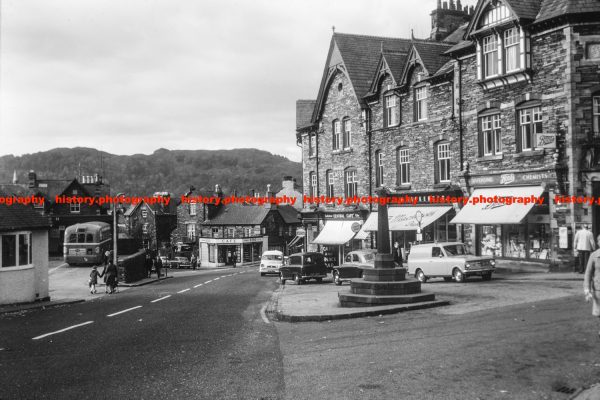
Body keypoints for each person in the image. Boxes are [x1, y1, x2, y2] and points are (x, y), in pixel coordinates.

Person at [583, 234, 600, 337]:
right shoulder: (594, 256)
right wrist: (587, 290)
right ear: (598, 243)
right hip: (598, 289)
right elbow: (588, 274)